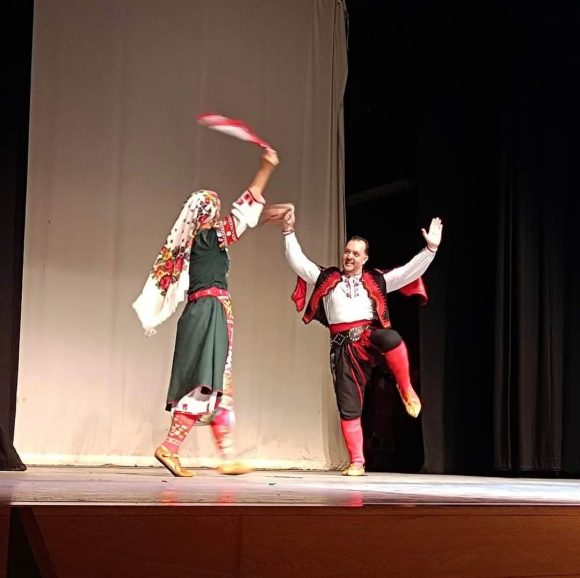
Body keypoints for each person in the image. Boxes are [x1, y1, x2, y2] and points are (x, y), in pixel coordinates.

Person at [133, 148, 279, 477]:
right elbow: (244, 210)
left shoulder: (193, 245)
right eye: (215, 209)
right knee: (205, 384)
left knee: (219, 386)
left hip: (203, 312)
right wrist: (266, 168)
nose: (220, 214)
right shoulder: (208, 238)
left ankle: (226, 455)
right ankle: (170, 448)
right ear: (206, 215)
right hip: (209, 313)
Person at [280, 208, 442, 476]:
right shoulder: (327, 278)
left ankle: (406, 389)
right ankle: (357, 461)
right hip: (343, 347)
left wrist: (430, 250)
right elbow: (298, 261)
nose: (349, 256)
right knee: (349, 405)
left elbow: (408, 272)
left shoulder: (376, 280)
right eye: (347, 252)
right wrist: (288, 232)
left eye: (356, 253)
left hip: (367, 338)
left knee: (391, 337)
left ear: (365, 258)